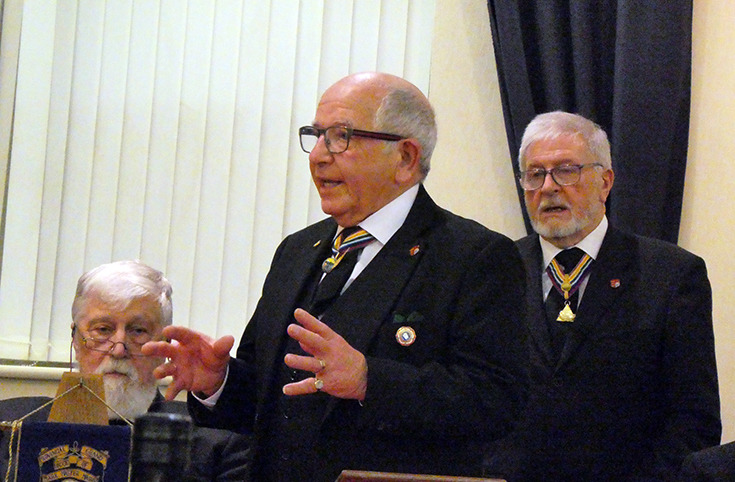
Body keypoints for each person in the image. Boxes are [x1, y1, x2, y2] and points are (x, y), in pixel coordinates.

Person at [143, 72, 529, 482]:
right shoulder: (296, 251)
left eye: (341, 137)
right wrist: (218, 382)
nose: (318, 156)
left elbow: (497, 402)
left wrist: (369, 380)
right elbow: (270, 402)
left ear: (405, 158)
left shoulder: (473, 256)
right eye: (316, 135)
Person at [483, 111, 721, 482]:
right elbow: (475, 397)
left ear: (605, 182)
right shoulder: (493, 269)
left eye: (566, 170)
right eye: (535, 174)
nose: (548, 187)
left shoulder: (671, 275)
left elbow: (694, 421)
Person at [0, 260, 250, 482]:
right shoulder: (9, 426)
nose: (119, 350)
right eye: (103, 330)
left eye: (138, 331)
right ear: (75, 339)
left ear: (164, 346)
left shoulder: (217, 444)